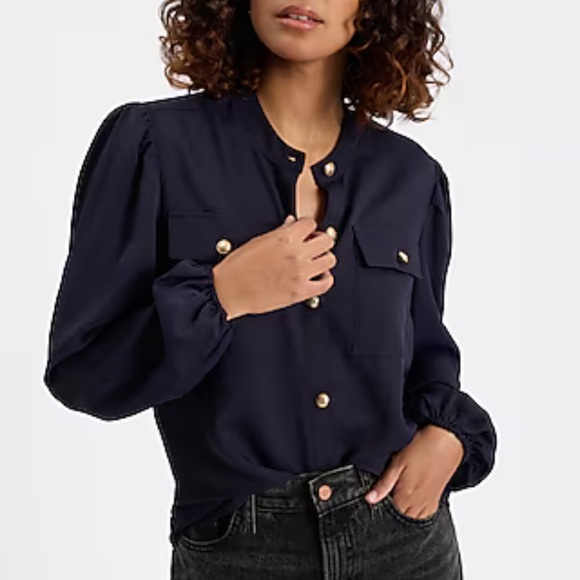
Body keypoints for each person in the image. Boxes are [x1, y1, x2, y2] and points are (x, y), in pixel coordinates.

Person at [43, 1, 497, 578]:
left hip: (403, 540)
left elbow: (428, 364)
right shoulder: (155, 143)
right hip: (240, 547)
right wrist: (222, 296)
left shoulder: (411, 176)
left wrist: (449, 436)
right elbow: (84, 372)